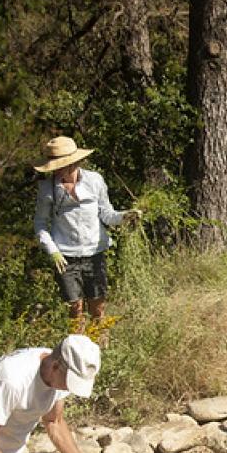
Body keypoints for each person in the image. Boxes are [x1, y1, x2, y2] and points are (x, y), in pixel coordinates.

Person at [33, 136, 141, 332]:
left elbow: (107, 215)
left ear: (73, 162)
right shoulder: (47, 189)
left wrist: (125, 216)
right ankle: (78, 350)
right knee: (75, 308)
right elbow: (40, 224)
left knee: (97, 306)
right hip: (65, 257)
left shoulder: (94, 180)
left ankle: (100, 345)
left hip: (94, 252)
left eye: (60, 165)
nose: (56, 170)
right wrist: (52, 250)